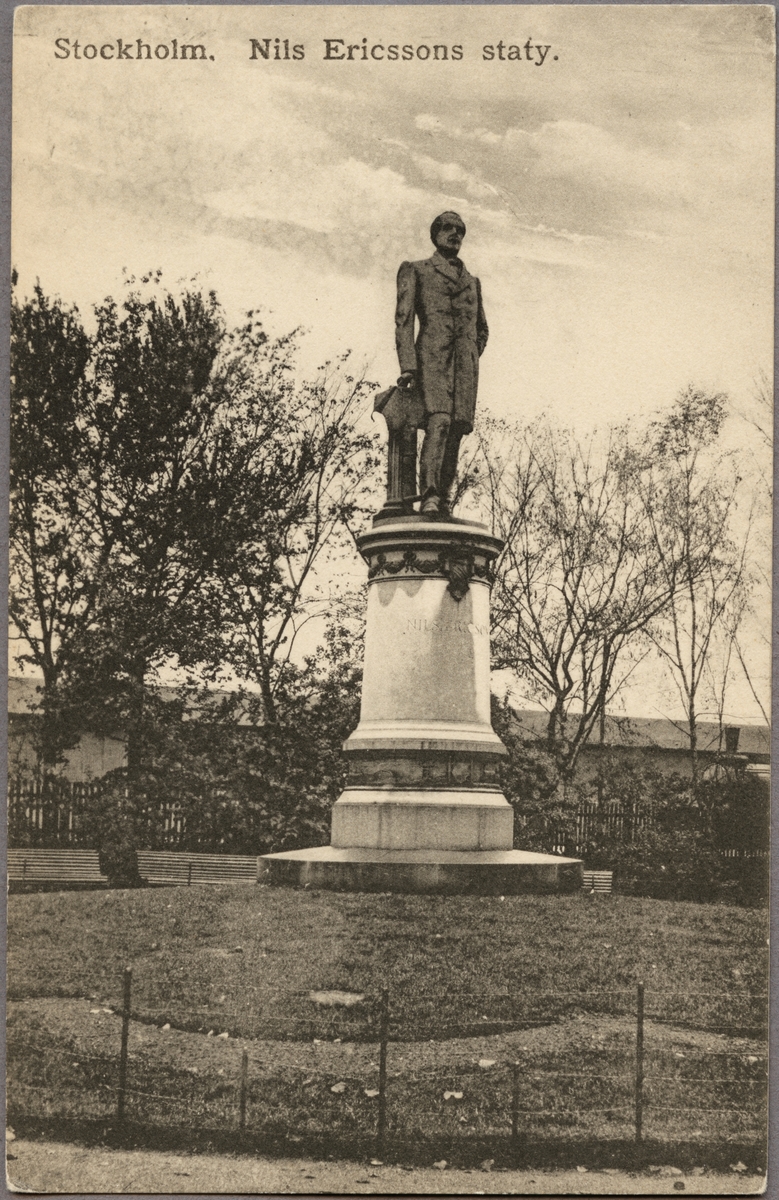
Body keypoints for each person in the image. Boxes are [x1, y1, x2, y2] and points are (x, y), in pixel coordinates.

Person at [395, 211, 488, 516]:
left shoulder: (473, 282)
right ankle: (431, 495)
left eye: (460, 230)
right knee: (440, 423)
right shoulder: (417, 269)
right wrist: (408, 366)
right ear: (434, 235)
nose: (454, 234)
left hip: (464, 367)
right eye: (447, 228)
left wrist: (471, 354)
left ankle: (444, 498)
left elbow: (482, 329)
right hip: (431, 360)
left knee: (457, 430)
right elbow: (404, 320)